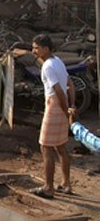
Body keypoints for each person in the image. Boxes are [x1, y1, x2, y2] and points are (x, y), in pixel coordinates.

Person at [32, 33, 76, 199]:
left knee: (45, 147)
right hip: (62, 106)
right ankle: (66, 183)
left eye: (36, 48)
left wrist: (66, 109)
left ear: (46, 49)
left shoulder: (48, 66)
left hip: (55, 106)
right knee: (61, 147)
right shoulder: (58, 61)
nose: (33, 51)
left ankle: (48, 187)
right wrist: (72, 106)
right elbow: (70, 83)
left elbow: (58, 90)